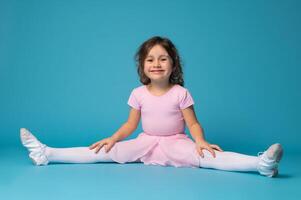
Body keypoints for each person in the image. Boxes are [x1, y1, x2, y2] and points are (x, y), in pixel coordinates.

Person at [20, 36, 283, 177]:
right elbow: (130, 125)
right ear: (143, 66)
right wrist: (113, 138)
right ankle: (48, 153)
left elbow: (192, 122)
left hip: (175, 142)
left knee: (210, 157)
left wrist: (200, 140)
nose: (156, 64)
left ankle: (260, 164)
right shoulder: (138, 93)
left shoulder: (181, 93)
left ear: (173, 65)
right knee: (102, 151)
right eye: (150, 60)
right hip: (145, 141)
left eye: (163, 59)